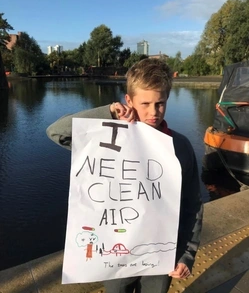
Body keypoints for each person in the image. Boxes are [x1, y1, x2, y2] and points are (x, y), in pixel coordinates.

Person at [46, 58, 203, 293]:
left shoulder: (179, 146)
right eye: (145, 103)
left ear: (167, 99)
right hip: (118, 254)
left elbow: (192, 204)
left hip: (160, 257)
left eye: (160, 103)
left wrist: (186, 254)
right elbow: (57, 132)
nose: (153, 112)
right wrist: (108, 113)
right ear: (128, 100)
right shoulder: (107, 139)